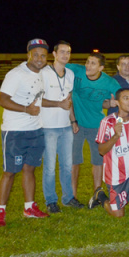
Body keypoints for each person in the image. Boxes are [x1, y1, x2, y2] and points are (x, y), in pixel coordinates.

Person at [0, 39, 51, 227]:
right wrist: (26, 110)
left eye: (43, 55)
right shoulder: (16, 74)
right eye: (36, 55)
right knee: (10, 171)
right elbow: (1, 99)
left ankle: (29, 208)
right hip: (15, 130)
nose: (40, 59)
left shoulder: (42, 74)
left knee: (29, 169)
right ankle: (0, 212)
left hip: (36, 129)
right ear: (29, 55)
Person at [68, 53, 122, 207]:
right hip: (76, 124)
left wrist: (113, 102)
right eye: (87, 62)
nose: (88, 66)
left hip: (96, 125)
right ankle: (72, 196)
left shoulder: (108, 82)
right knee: (74, 161)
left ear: (101, 68)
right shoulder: (77, 70)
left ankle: (97, 193)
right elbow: (58, 64)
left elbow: (122, 95)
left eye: (93, 63)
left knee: (98, 161)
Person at [40, 40, 83, 213]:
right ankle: (51, 200)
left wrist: (73, 120)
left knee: (67, 165)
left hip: (66, 127)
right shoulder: (43, 73)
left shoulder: (70, 74)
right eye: (62, 52)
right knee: (49, 167)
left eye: (68, 52)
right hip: (48, 126)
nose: (65, 55)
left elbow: (69, 100)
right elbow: (38, 99)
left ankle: (68, 197)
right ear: (55, 54)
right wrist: (58, 104)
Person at [94, 88, 129, 217]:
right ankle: (100, 195)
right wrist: (115, 136)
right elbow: (101, 151)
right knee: (118, 214)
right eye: (126, 98)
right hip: (116, 176)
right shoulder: (108, 122)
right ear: (117, 103)